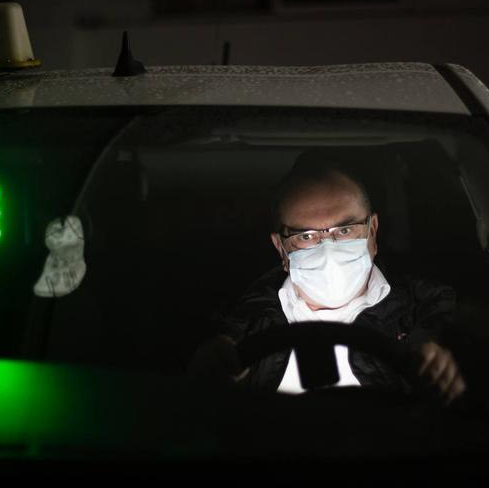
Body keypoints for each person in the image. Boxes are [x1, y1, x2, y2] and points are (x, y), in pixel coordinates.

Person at [189, 158, 466, 404]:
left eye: (345, 230)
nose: (328, 250)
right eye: (307, 236)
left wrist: (440, 364)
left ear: (372, 231)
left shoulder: (431, 309)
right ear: (281, 249)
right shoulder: (238, 327)